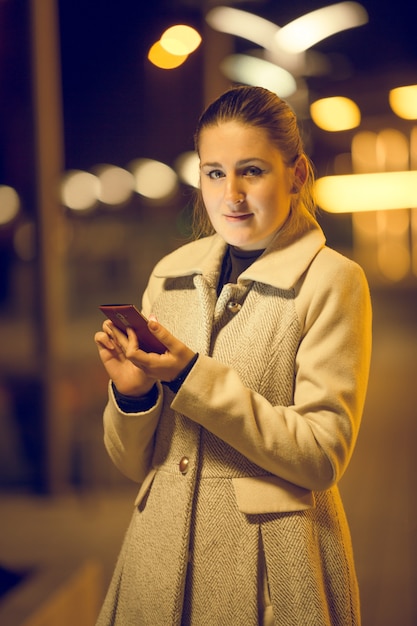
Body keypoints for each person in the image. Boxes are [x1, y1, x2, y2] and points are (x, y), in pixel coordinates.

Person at [94, 85, 372, 626]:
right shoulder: (170, 275)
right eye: (214, 172)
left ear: (296, 174)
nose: (232, 195)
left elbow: (322, 455)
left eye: (253, 170)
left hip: (270, 572)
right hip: (155, 562)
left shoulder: (333, 281)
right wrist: (133, 395)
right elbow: (134, 466)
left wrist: (192, 376)